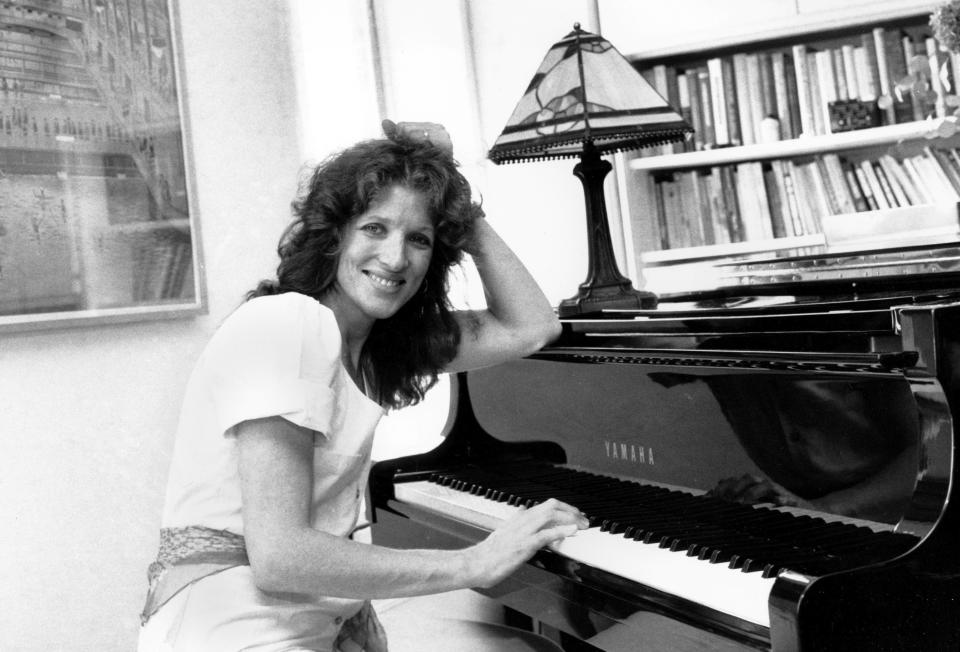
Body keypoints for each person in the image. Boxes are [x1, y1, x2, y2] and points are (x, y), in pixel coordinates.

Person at [137, 120, 587, 652]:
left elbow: (531, 327)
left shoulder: (377, 347)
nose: (396, 258)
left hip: (302, 623)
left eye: (418, 239)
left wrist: (459, 200)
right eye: (375, 228)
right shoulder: (288, 323)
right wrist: (473, 564)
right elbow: (281, 558)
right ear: (334, 234)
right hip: (230, 631)